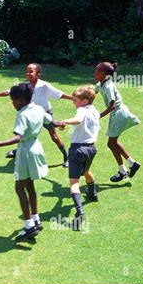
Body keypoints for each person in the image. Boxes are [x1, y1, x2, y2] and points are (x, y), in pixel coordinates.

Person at [0, 83, 62, 241]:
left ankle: (28, 225)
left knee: (19, 186)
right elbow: (52, 123)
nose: (12, 103)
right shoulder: (39, 109)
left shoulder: (22, 115)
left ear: (20, 100)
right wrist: (63, 123)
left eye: (13, 100)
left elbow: (18, 137)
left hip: (25, 151)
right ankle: (36, 218)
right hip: (37, 148)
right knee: (30, 185)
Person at [0, 63, 71, 167]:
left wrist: (74, 98)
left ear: (38, 74)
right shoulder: (24, 86)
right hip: (30, 115)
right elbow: (8, 92)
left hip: (44, 113)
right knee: (23, 135)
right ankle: (17, 151)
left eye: (31, 71)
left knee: (54, 137)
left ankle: (66, 157)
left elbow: (60, 94)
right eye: (26, 71)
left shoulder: (44, 85)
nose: (28, 73)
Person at [58, 85, 100, 230]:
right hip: (91, 149)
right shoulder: (94, 111)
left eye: (75, 100)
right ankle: (92, 194)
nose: (73, 102)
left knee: (74, 182)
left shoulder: (81, 110)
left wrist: (64, 122)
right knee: (86, 171)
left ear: (84, 101)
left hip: (77, 149)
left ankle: (79, 212)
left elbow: (78, 120)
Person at [94, 62, 141, 182]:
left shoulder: (108, 86)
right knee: (112, 142)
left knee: (111, 143)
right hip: (118, 115)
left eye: (97, 72)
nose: (95, 73)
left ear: (105, 74)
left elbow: (112, 106)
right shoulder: (101, 83)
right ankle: (131, 164)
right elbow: (92, 92)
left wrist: (98, 116)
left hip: (119, 114)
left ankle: (123, 171)